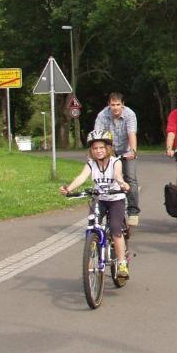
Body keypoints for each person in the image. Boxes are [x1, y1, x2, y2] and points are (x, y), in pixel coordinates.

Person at [60, 130, 132, 279]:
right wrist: (69, 189)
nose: (98, 151)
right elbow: (81, 177)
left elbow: (118, 176)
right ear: (91, 150)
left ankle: (122, 262)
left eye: (101, 147)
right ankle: (95, 249)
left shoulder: (115, 162)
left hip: (115, 199)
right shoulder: (91, 164)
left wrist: (122, 184)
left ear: (108, 148)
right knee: (93, 225)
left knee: (115, 229)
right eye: (94, 148)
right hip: (99, 199)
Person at [93, 92, 140, 224]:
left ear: (123, 105)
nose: (115, 108)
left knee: (131, 178)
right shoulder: (102, 115)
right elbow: (98, 136)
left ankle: (133, 211)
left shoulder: (130, 114)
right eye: (113, 105)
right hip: (109, 150)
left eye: (118, 104)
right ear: (108, 105)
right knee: (108, 178)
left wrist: (133, 151)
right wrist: (100, 153)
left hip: (126, 150)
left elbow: (132, 134)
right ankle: (105, 208)